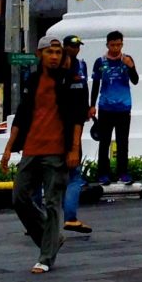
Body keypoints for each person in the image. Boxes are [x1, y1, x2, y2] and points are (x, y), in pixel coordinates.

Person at [0, 35, 87, 274]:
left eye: (59, 53)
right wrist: (9, 147)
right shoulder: (33, 80)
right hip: (32, 147)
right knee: (20, 198)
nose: (55, 57)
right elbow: (22, 114)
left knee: (51, 203)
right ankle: (51, 239)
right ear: (40, 55)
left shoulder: (72, 79)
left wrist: (74, 149)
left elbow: (78, 116)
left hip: (58, 149)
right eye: (50, 52)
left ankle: (46, 257)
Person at [90, 30, 138, 185]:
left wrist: (131, 67)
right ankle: (103, 173)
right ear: (107, 45)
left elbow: (135, 80)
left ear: (122, 44)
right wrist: (92, 105)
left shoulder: (128, 59)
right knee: (104, 141)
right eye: (113, 45)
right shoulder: (100, 62)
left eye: (118, 44)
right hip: (105, 107)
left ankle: (123, 172)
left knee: (122, 141)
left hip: (124, 107)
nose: (116, 48)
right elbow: (95, 84)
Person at [61, 35, 92, 236]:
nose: (75, 50)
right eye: (71, 47)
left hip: (72, 124)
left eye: (77, 46)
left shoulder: (81, 66)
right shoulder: (65, 74)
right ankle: (69, 217)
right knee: (72, 176)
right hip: (67, 127)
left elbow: (85, 89)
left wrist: (87, 108)